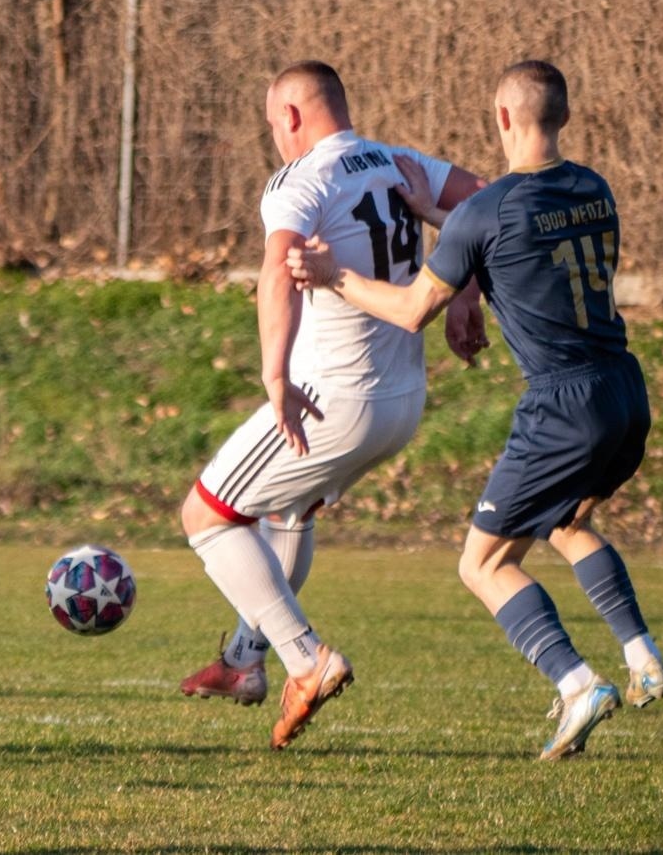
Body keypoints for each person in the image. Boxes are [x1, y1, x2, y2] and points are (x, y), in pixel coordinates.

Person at [288, 60, 663, 761]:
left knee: (483, 564)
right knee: (568, 521)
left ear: (501, 118)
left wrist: (333, 274)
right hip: (624, 389)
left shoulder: (486, 212)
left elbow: (411, 311)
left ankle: (577, 681)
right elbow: (515, 234)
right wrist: (438, 214)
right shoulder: (593, 187)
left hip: (563, 404)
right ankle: (641, 654)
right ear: (564, 114)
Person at [178, 60, 488, 750]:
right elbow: (487, 204)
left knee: (206, 514)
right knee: (289, 511)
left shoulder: (301, 178)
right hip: (402, 405)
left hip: (333, 399)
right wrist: (466, 292)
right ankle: (242, 662)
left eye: (271, 124)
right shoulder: (398, 161)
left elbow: (277, 272)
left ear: (291, 115)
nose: (274, 139)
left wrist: (273, 375)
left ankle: (305, 659)